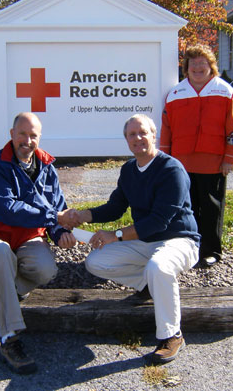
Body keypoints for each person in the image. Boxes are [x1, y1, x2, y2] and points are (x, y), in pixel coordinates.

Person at [73, 114, 200, 364]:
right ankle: (148, 285)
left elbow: (158, 222)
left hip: (180, 240)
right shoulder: (129, 170)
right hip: (147, 241)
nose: (138, 138)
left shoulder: (171, 169)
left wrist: (116, 235)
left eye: (143, 132)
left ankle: (171, 335)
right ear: (127, 141)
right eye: (132, 134)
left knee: (159, 266)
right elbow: (114, 208)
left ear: (155, 136)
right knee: (95, 262)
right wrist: (80, 216)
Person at [0, 112, 78, 374]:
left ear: (39, 138)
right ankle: (10, 339)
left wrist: (60, 232)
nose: (27, 140)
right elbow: (7, 209)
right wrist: (54, 216)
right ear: (11, 134)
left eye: (33, 135)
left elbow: (57, 208)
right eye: (22, 134)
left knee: (46, 269)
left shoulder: (47, 166)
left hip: (28, 237)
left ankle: (3, 285)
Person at [160, 44, 233, 268]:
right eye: (192, 64)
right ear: (186, 68)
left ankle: (211, 251)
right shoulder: (175, 93)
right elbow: (167, 129)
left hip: (213, 163)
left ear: (211, 66)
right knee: (187, 208)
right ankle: (188, 249)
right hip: (181, 164)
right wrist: (165, 161)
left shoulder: (225, 91)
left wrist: (229, 158)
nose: (197, 67)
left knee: (212, 208)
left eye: (202, 63)